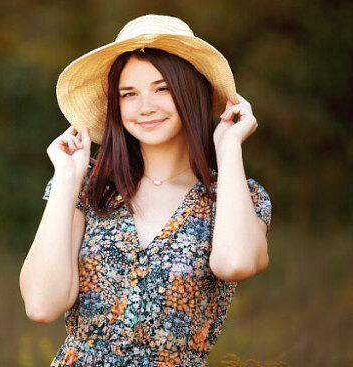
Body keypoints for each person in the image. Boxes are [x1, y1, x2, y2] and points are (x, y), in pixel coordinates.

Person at [19, 15, 272, 366]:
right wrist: (65, 178)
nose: (145, 107)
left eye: (162, 88)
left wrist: (229, 148)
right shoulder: (88, 189)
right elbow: (41, 305)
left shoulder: (235, 195)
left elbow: (237, 262)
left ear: (190, 92)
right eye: (129, 94)